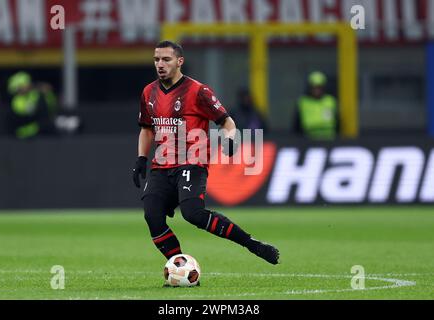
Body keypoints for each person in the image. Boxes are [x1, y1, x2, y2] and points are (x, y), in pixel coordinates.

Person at [132, 41, 280, 273]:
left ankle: (251, 244)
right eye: (156, 59)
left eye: (166, 59)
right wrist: (141, 158)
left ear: (179, 61)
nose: (160, 64)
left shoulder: (198, 91)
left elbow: (227, 122)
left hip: (192, 162)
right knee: (152, 216)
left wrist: (231, 140)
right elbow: (146, 129)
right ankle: (181, 268)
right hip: (161, 165)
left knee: (193, 214)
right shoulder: (148, 92)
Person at [7, 71, 57, 139]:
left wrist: (47, 93)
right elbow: (30, 110)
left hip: (41, 130)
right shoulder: (16, 101)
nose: (28, 85)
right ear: (17, 88)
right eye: (24, 84)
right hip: (23, 131)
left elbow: (51, 105)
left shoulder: (34, 94)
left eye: (27, 83)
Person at [294, 71, 339, 140]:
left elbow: (338, 121)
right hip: (309, 138)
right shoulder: (303, 102)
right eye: (314, 87)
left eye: (319, 87)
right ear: (310, 88)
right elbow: (296, 124)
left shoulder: (330, 101)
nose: (317, 90)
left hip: (329, 138)